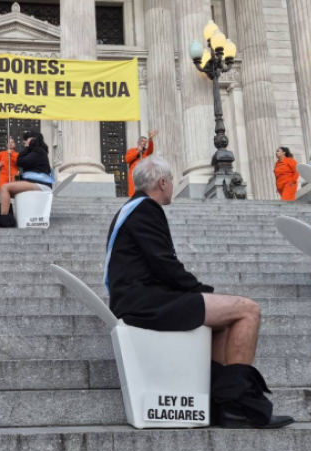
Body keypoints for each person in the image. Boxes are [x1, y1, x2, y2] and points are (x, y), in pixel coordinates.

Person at [105, 156, 295, 429]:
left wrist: (204, 295)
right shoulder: (146, 209)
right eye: (170, 181)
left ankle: (223, 405)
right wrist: (202, 292)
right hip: (145, 302)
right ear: (162, 182)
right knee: (247, 310)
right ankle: (241, 404)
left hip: (139, 297)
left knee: (223, 322)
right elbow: (165, 265)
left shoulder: (134, 208)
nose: (172, 186)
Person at [0, 131, 53, 228]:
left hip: (41, 185)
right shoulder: (37, 152)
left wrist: (27, 147)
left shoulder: (38, 151)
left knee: (5, 188)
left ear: (33, 139)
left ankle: (4, 220)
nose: (24, 141)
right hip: (36, 184)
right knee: (6, 192)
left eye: (26, 139)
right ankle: (5, 217)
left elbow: (21, 161)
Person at [125, 130, 157, 197]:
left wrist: (150, 138)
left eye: (145, 142)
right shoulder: (132, 150)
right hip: (133, 174)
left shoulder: (146, 152)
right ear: (138, 142)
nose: (144, 143)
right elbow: (127, 159)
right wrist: (137, 151)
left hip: (143, 174)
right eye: (142, 141)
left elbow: (150, 150)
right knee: (133, 191)